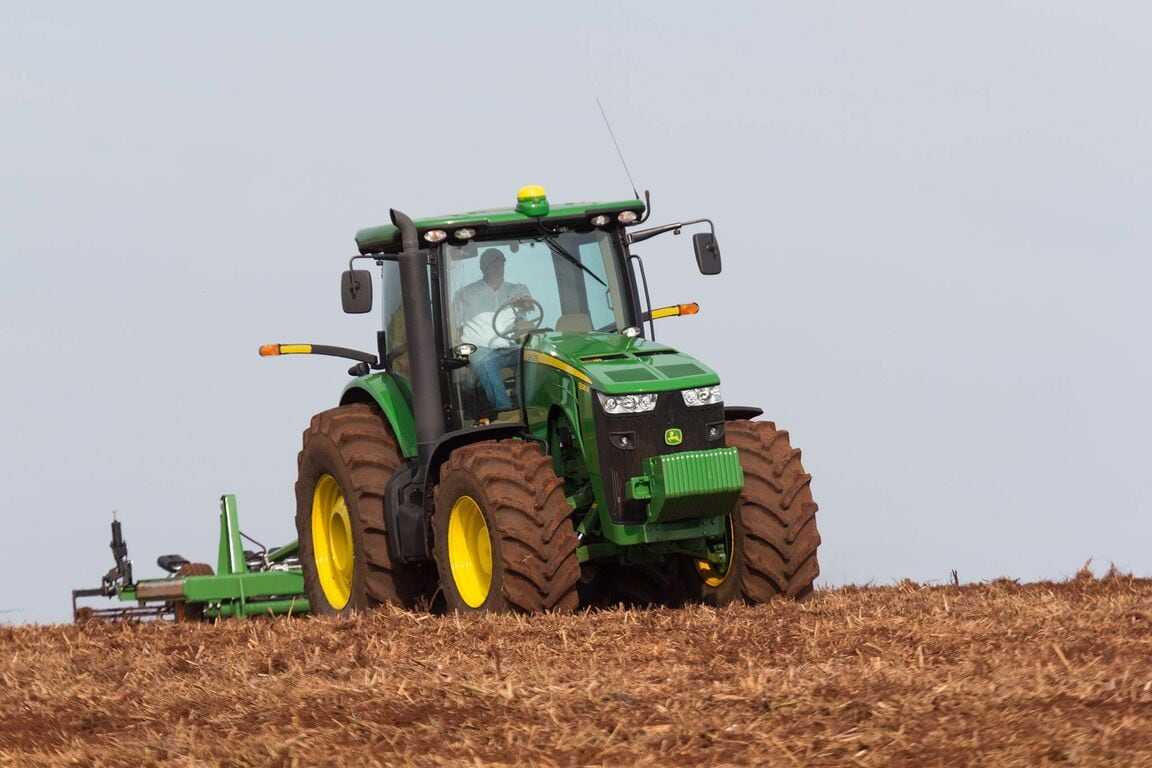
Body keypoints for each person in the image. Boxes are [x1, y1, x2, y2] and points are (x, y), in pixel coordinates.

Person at [452, 248, 533, 413]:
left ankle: (532, 405)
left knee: (535, 357)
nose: (496, 266)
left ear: (504, 264)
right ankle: (505, 411)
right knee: (485, 362)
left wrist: (522, 303)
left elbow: (528, 305)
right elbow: (455, 325)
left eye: (499, 261)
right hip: (481, 348)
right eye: (491, 262)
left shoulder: (517, 289)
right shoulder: (464, 293)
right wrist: (458, 344)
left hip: (511, 346)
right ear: (482, 267)